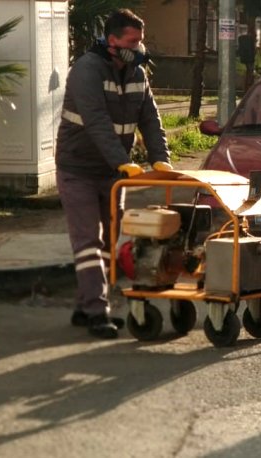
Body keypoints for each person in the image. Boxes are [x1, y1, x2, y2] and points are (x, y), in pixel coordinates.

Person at [55, 9, 172, 339]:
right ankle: (97, 311)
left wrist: (160, 159)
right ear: (113, 40)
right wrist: (123, 161)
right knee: (88, 241)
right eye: (133, 41)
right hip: (77, 169)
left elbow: (150, 119)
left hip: (113, 172)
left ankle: (85, 305)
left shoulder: (137, 74)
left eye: (141, 40)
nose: (139, 47)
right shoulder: (85, 70)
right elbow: (95, 121)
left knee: (109, 241)